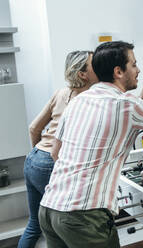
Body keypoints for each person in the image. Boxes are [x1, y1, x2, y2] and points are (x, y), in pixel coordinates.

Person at [38, 37, 143, 248]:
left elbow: (55, 153)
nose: (138, 70)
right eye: (134, 64)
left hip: (50, 209)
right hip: (84, 216)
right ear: (118, 72)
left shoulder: (79, 100)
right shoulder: (126, 105)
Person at [18, 51, 98, 248]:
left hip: (33, 159)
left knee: (34, 224)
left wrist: (39, 155)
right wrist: (51, 162)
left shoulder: (60, 93)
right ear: (82, 74)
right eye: (93, 64)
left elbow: (33, 128)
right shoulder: (88, 99)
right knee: (63, 226)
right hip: (50, 163)